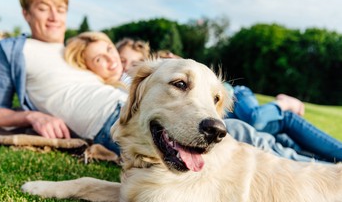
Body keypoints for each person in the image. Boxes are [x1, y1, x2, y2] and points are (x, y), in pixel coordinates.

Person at [117, 42, 340, 163]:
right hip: (215, 116)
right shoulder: (127, 84)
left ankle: (283, 105)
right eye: (123, 61)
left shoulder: (166, 66)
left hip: (235, 95)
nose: (128, 66)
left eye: (134, 61)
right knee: (280, 141)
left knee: (258, 120)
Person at [0, 0, 71, 139]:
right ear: (26, 14)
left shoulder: (79, 50)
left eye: (61, 10)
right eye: (43, 9)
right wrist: (32, 116)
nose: (54, 17)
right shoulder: (12, 51)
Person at [226, 84, 342, 163]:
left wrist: (284, 104)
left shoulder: (235, 94)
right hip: (262, 135)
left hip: (233, 94)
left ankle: (285, 103)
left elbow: (254, 119)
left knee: (280, 118)